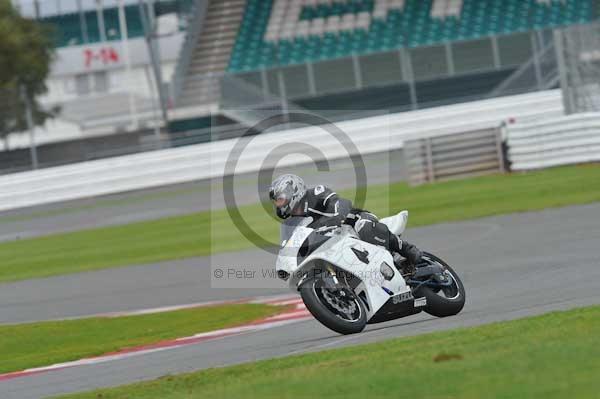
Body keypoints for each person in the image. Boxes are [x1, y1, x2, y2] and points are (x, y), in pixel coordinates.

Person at [268, 174, 422, 265]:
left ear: (293, 191)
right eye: (276, 201)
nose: (279, 204)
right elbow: (292, 243)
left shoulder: (315, 193)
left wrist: (336, 219)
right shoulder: (292, 222)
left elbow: (341, 203)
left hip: (353, 223)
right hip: (335, 243)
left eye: (280, 199)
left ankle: (405, 248)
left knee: (365, 228)